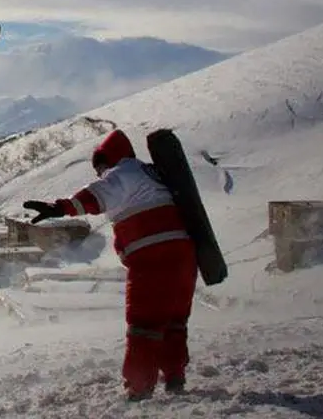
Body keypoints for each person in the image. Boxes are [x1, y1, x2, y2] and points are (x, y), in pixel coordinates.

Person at [24, 128, 197, 402]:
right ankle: (175, 377)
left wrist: (59, 208)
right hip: (185, 256)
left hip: (152, 257)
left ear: (111, 159)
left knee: (143, 324)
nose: (100, 174)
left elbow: (95, 197)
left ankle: (139, 388)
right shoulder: (152, 173)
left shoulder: (122, 173)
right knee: (174, 321)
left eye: (100, 168)